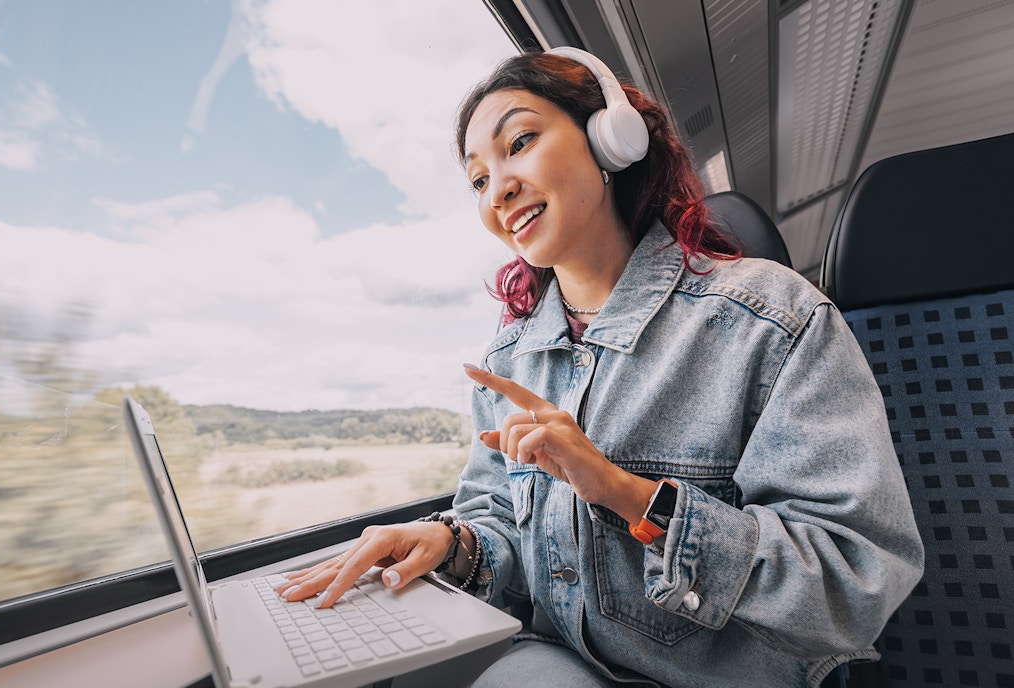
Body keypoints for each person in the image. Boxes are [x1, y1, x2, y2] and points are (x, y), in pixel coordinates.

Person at [276, 48, 924, 688]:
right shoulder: (510, 361)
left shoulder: (773, 321)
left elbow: (852, 583)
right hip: (562, 662)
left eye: (520, 142)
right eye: (478, 179)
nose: (497, 189)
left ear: (610, 140)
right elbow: (502, 529)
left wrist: (625, 493)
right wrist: (455, 546)